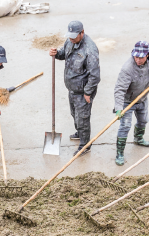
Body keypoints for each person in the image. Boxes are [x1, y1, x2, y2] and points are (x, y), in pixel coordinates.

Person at [50, 21, 101, 155]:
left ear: (82, 32)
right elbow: (64, 54)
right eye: (70, 35)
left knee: (82, 118)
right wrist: (56, 53)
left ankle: (85, 145)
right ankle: (79, 132)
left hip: (83, 91)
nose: (71, 38)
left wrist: (88, 92)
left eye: (74, 36)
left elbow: (95, 75)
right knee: (74, 113)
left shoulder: (90, 49)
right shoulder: (70, 42)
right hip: (72, 89)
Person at [112, 41, 149, 166]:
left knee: (143, 120)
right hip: (127, 101)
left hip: (142, 97)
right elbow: (119, 89)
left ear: (147, 55)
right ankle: (119, 153)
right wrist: (119, 108)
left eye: (141, 57)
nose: (138, 60)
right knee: (125, 126)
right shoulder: (127, 69)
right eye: (136, 56)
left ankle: (138, 139)